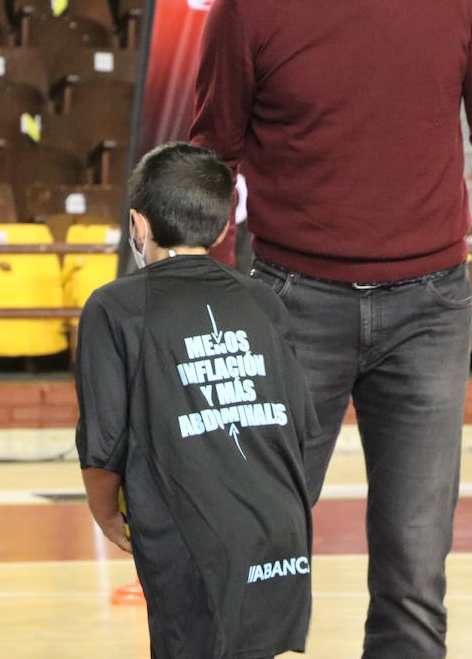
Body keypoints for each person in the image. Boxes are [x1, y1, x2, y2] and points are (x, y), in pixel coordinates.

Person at [191, 0, 472, 657]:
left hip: (428, 311)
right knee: (260, 548)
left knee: (416, 572)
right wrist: (186, 298)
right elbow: (212, 153)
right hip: (287, 305)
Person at [75, 141, 321, 659]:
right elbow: (301, 423)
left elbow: (104, 442)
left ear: (138, 226)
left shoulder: (114, 307)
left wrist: (105, 514)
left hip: (189, 534)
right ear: (224, 227)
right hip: (280, 530)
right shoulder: (261, 299)